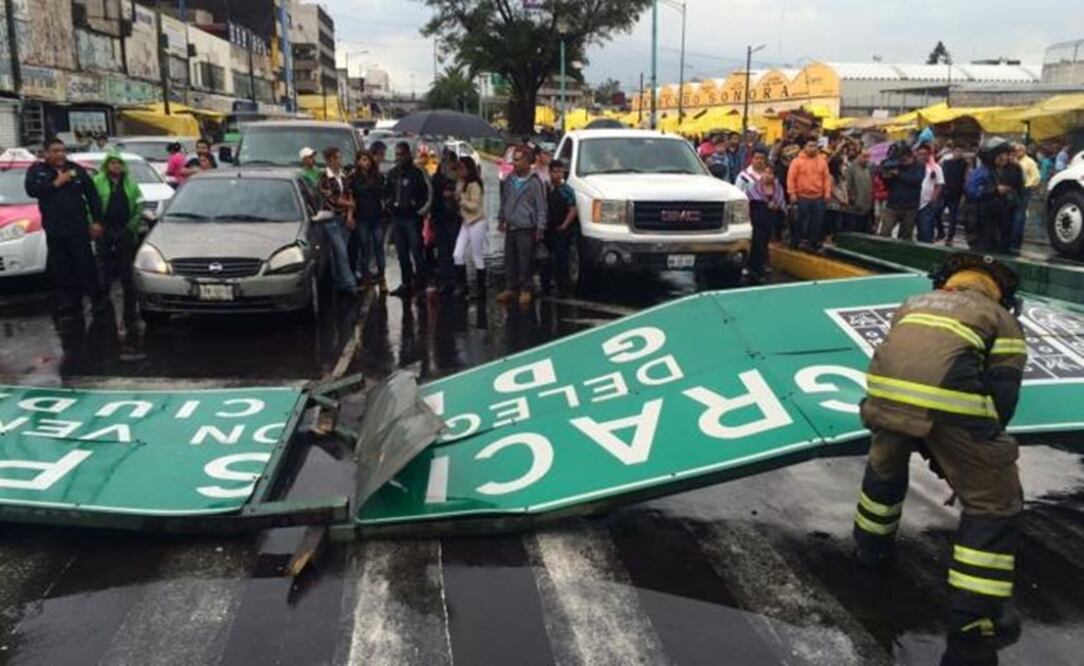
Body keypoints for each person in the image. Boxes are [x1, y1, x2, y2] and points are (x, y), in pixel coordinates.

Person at [851, 253, 1027, 664]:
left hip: (882, 398)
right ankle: (974, 616)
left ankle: (869, 550)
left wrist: (932, 441)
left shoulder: (913, 302)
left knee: (884, 471)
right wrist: (978, 450)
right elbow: (1003, 396)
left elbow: (903, 359)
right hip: (948, 404)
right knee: (994, 502)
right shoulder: (1000, 319)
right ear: (998, 290)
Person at [24, 137, 104, 317]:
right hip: (55, 229)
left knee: (86, 265)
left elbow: (92, 196)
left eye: (62, 150)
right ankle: (71, 301)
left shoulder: (76, 169)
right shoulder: (38, 171)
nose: (60, 154)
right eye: (55, 151)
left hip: (78, 228)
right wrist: (55, 183)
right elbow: (31, 190)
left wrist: (97, 221)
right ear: (45, 153)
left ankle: (97, 300)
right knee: (62, 267)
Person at [91, 151, 143, 330]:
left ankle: (130, 308)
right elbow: (89, 204)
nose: (116, 166)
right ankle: (102, 304)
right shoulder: (97, 181)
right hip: (104, 230)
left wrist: (131, 228)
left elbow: (139, 206)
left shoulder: (131, 183)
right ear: (107, 165)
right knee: (103, 268)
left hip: (124, 230)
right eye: (112, 163)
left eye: (119, 163)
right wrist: (94, 224)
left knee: (125, 269)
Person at [497, 145, 547, 307]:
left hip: (526, 227)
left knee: (525, 260)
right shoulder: (510, 180)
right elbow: (504, 200)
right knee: (510, 258)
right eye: (514, 160)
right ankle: (511, 287)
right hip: (511, 225)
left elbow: (541, 206)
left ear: (527, 161)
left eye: (518, 160)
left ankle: (526, 288)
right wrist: (501, 218)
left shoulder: (534, 182)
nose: (515, 163)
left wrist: (540, 228)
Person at [384, 141, 431, 298]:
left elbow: (427, 194)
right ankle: (406, 284)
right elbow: (386, 193)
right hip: (397, 219)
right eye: (396, 154)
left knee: (417, 253)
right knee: (402, 254)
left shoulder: (417, 173)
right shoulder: (392, 173)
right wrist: (390, 205)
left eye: (401, 154)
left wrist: (420, 211)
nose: (398, 157)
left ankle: (421, 285)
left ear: (407, 154)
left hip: (412, 219)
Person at [317, 146, 358, 294]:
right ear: (329, 160)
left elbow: (350, 194)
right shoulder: (324, 178)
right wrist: (348, 204)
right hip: (331, 219)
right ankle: (350, 283)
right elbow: (331, 199)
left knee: (341, 252)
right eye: (336, 158)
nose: (339, 160)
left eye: (339, 157)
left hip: (344, 218)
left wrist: (350, 215)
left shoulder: (344, 176)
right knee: (341, 252)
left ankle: (340, 282)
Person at [349, 149, 387, 293]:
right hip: (362, 217)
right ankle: (366, 279)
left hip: (377, 217)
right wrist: (351, 215)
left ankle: (382, 279)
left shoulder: (377, 176)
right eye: (363, 160)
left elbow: (383, 193)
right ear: (358, 162)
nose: (366, 163)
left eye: (368, 160)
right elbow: (352, 196)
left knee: (379, 249)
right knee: (365, 249)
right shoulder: (353, 178)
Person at [541, 159, 577, 295]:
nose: (558, 175)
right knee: (546, 259)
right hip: (547, 229)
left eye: (560, 172)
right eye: (555, 172)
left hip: (562, 230)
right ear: (550, 173)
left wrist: (564, 225)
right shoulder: (546, 188)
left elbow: (573, 209)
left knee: (562, 259)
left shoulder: (567, 190)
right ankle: (546, 286)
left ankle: (563, 288)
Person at [786, 139, 832, 249]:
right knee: (799, 222)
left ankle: (813, 243)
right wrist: (792, 193)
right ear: (805, 147)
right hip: (802, 197)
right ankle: (795, 241)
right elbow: (791, 178)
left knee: (817, 222)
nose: (813, 148)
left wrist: (827, 193)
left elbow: (826, 178)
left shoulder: (822, 161)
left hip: (818, 197)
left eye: (815, 146)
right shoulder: (797, 161)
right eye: (810, 145)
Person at [453, 156, 487, 299]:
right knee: (457, 254)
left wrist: (461, 200)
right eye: (458, 168)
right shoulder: (461, 183)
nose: (459, 171)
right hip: (466, 222)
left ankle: (481, 289)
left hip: (477, 222)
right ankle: (462, 286)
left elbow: (474, 205)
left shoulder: (475, 185)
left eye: (462, 168)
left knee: (477, 256)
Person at [745, 164, 785, 283]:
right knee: (758, 243)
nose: (768, 175)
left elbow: (781, 202)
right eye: (766, 172)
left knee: (765, 242)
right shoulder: (754, 187)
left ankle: (761, 266)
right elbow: (749, 202)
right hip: (757, 220)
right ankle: (757, 269)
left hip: (770, 220)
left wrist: (775, 206)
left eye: (771, 173)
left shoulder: (778, 188)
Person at [430, 149, 462, 295]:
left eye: (447, 160)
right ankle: (445, 281)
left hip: (453, 218)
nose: (445, 162)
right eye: (443, 160)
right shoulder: (437, 178)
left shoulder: (459, 177)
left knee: (455, 251)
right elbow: (432, 195)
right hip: (439, 217)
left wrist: (453, 191)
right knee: (443, 251)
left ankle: (457, 282)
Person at [878, 145, 924, 241]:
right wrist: (885, 177)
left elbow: (917, 180)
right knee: (884, 232)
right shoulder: (895, 165)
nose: (903, 163)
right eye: (901, 160)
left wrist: (899, 174)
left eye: (905, 160)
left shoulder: (919, 166)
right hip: (893, 205)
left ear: (911, 157)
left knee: (905, 235)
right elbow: (887, 185)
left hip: (910, 207)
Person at [1012, 144, 1040, 250]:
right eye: (1015, 150)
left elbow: (1036, 177)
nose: (1016, 152)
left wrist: (1028, 185)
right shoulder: (1014, 161)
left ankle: (1016, 238)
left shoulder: (1029, 162)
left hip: (1024, 189)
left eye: (1018, 150)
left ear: (1023, 151)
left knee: (1020, 214)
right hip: (1014, 189)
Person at [916, 143, 946, 243]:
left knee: (926, 231)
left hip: (927, 204)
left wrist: (933, 199)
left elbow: (939, 184)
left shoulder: (935, 168)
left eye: (925, 154)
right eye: (920, 154)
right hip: (913, 203)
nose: (923, 156)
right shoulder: (914, 166)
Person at [939, 145, 969, 245]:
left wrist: (964, 195)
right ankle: (941, 232)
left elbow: (966, 178)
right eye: (957, 151)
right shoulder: (946, 163)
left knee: (953, 217)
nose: (959, 153)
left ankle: (949, 237)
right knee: (937, 213)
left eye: (961, 151)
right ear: (953, 151)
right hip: (944, 193)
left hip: (956, 194)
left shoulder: (965, 164)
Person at [843, 148, 874, 232]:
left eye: (868, 157)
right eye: (864, 156)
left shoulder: (869, 169)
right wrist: (852, 199)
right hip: (855, 207)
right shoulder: (851, 168)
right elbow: (848, 186)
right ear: (858, 156)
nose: (866, 159)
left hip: (866, 207)